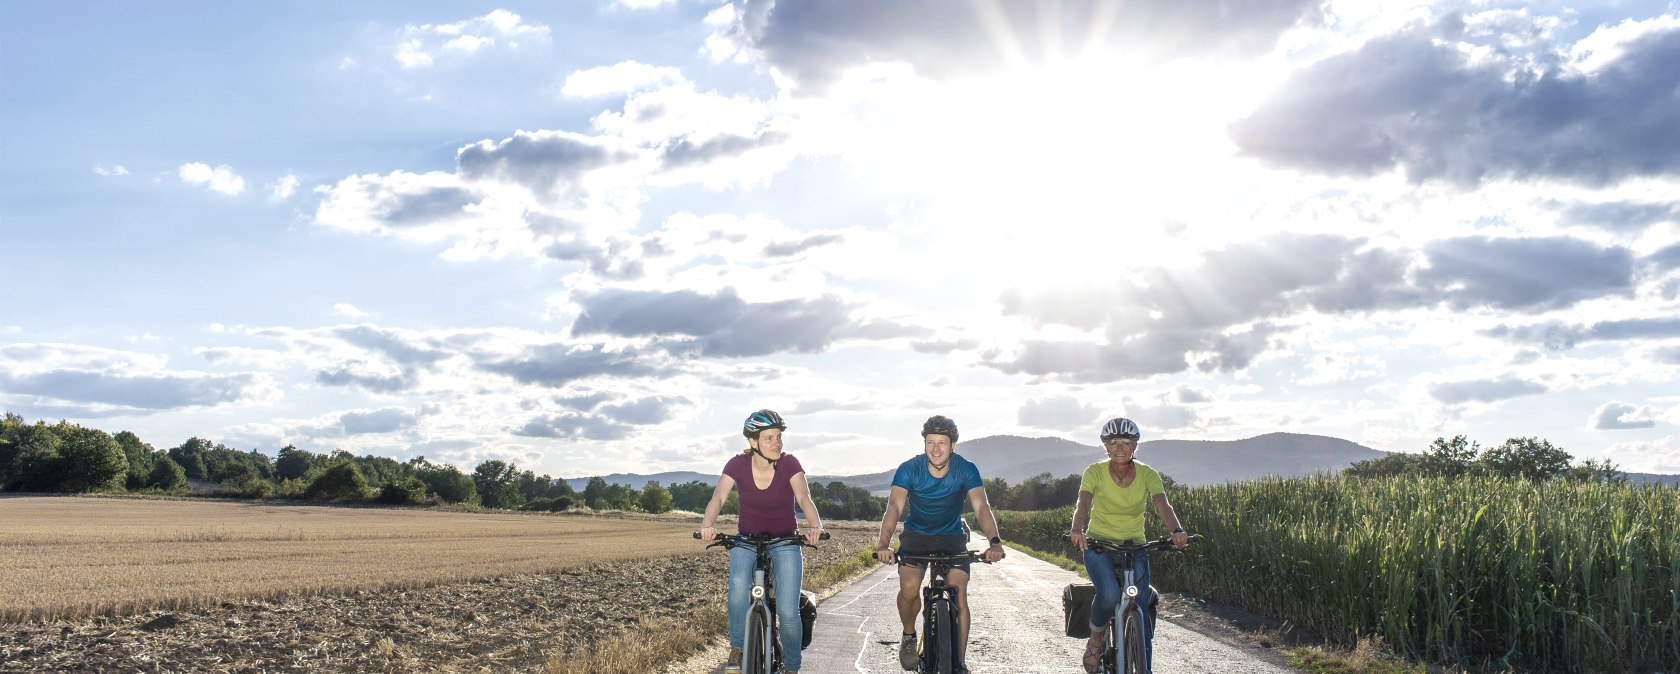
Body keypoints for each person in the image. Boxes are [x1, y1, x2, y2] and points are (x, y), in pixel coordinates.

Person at [874, 415, 1005, 674]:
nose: (935, 449)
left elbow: (981, 507)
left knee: (959, 590)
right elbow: (894, 507)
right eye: (930, 442)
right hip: (916, 537)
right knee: (909, 587)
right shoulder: (909, 469)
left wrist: (995, 542)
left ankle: (959, 663)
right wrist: (883, 544)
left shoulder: (966, 469)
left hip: (952, 537)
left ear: (953, 445)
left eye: (942, 443)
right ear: (924, 443)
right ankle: (909, 636)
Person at [699, 409, 825, 674]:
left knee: (788, 611)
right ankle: (738, 648)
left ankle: (792, 668)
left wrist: (815, 526)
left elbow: (804, 498)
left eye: (778, 437)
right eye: (769, 438)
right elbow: (718, 497)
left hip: (785, 541)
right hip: (746, 540)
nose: (777, 443)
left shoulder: (790, 464)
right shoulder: (737, 465)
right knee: (737, 584)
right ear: (753, 441)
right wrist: (707, 525)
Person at [1067, 417, 1190, 674]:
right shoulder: (1094, 472)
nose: (1120, 448)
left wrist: (1176, 531)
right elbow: (1083, 503)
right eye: (1113, 443)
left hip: (1134, 548)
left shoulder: (1148, 474)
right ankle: (1095, 640)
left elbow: (1162, 505)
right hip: (1099, 546)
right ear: (1106, 446)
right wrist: (1077, 529)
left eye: (1126, 442)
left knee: (1140, 607)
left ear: (1135, 446)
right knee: (1109, 593)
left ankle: (1145, 670)